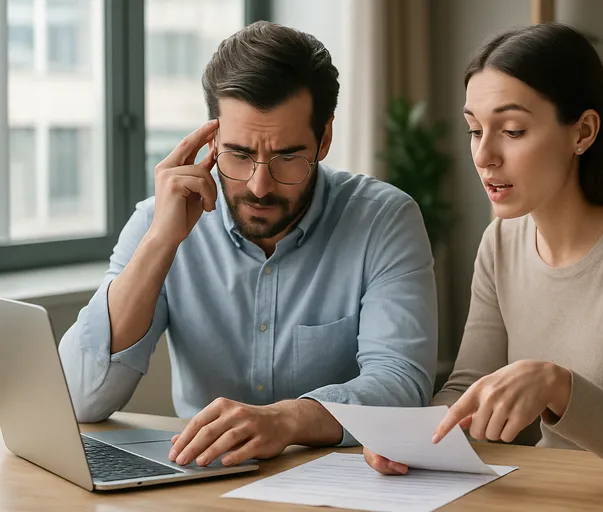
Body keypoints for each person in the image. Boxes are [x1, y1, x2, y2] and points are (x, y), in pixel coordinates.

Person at [58, 21, 437, 468]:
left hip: (341, 485)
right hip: (204, 483)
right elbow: (79, 399)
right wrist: (161, 241)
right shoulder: (158, 221)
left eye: (287, 156)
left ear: (325, 138)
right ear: (211, 139)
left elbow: (402, 383)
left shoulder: (383, 220)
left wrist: (288, 419)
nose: (259, 186)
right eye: (238, 154)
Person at [364, 22, 603, 480]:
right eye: (474, 130)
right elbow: (467, 387)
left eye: (511, 130)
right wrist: (408, 437)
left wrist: (558, 386)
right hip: (554, 491)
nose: (484, 155)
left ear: (583, 132)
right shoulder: (500, 241)